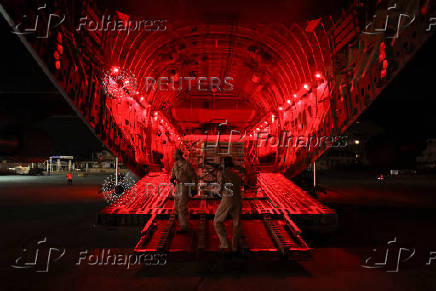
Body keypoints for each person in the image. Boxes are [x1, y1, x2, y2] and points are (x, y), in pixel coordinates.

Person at [213, 157, 242, 252]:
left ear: (224, 164)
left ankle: (224, 243)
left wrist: (215, 192)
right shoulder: (237, 174)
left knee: (217, 221)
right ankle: (235, 247)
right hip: (238, 200)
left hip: (227, 200)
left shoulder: (222, 173)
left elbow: (220, 187)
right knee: (236, 224)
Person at [170, 149, 197, 233]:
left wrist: (193, 188)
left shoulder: (186, 165)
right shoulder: (175, 164)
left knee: (181, 206)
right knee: (177, 206)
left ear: (178, 155)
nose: (173, 156)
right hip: (178, 186)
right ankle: (186, 222)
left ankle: (184, 227)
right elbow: (173, 174)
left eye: (174, 154)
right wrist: (172, 178)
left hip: (185, 186)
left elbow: (193, 177)